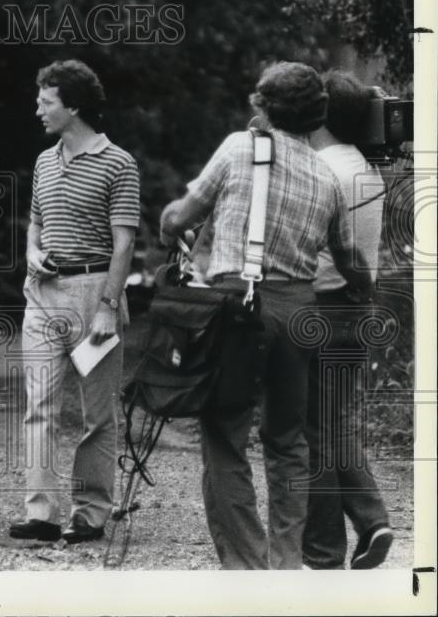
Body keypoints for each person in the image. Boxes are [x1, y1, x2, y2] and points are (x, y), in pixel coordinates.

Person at [159, 61, 374, 569]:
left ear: (261, 104)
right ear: (317, 116)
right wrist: (364, 289)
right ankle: (285, 562)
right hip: (299, 312)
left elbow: (181, 216)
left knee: (225, 434)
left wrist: (171, 225)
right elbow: (350, 260)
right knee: (288, 440)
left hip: (237, 305)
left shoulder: (239, 148)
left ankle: (247, 566)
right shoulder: (326, 177)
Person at [8, 59, 140, 544]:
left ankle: (90, 512)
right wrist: (32, 254)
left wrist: (108, 305)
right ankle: (40, 513)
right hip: (43, 293)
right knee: (38, 407)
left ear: (74, 107)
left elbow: (124, 243)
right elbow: (36, 223)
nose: (38, 110)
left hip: (93, 291)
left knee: (97, 415)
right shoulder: (45, 161)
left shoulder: (119, 163)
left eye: (47, 102)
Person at [302, 71, 393, 569]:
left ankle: (326, 549)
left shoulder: (318, 172)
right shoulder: (365, 168)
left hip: (321, 306)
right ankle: (368, 522)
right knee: (332, 422)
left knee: (313, 431)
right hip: (358, 307)